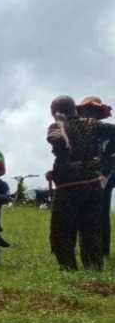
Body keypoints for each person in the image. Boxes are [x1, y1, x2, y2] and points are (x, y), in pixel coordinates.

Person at [46, 95, 115, 271]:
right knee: (91, 230)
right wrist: (103, 157)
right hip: (92, 185)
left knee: (61, 231)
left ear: (56, 112)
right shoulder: (93, 124)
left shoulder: (57, 126)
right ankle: (94, 269)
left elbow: (57, 140)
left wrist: (65, 162)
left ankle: (69, 269)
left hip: (69, 188)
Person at [77, 96, 114, 257]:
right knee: (84, 210)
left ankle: (102, 251)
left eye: (92, 111)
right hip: (86, 174)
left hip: (105, 173)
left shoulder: (106, 129)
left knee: (100, 209)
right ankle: (90, 249)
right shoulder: (80, 132)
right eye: (85, 111)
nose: (88, 114)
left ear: (99, 113)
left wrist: (106, 158)